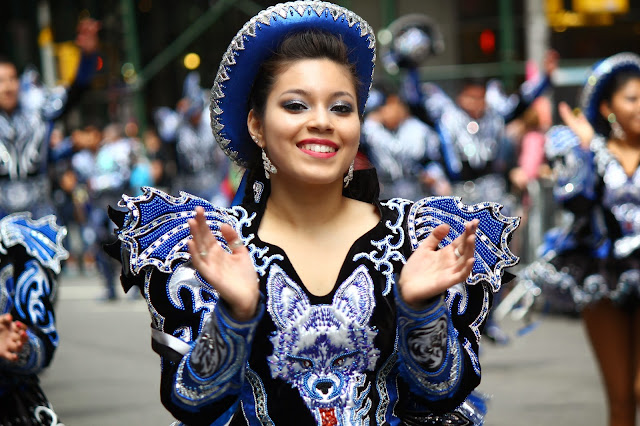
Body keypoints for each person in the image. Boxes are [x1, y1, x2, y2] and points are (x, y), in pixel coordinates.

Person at [108, 2, 519, 424]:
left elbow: (442, 393)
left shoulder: (419, 238)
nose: (322, 121)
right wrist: (234, 316)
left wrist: (421, 309)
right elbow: (190, 402)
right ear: (256, 124)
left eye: (341, 108)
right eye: (296, 105)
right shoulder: (213, 249)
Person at [520, 52, 640, 426]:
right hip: (602, 276)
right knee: (621, 399)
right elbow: (574, 199)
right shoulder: (582, 149)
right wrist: (587, 151)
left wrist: (594, 148)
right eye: (633, 98)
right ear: (608, 107)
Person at [0, 17, 99, 424]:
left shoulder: (39, 109)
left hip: (40, 225)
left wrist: (89, 55)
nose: (5, 86)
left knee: (38, 305)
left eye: (9, 79)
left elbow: (77, 90)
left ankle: (26, 368)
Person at [360, 80, 449, 200]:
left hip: (417, 196)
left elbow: (400, 152)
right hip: (390, 195)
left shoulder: (417, 129)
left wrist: (372, 127)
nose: (379, 115)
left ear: (394, 102)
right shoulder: (388, 131)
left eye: (380, 109)